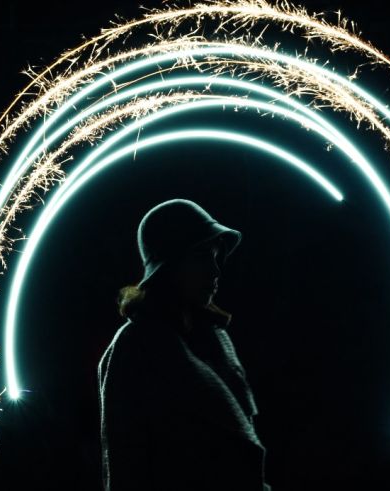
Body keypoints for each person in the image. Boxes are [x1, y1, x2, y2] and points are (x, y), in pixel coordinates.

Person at [97, 198, 272, 491]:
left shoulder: (217, 337)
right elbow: (125, 465)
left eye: (216, 257)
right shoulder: (133, 347)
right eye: (202, 257)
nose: (216, 272)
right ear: (170, 265)